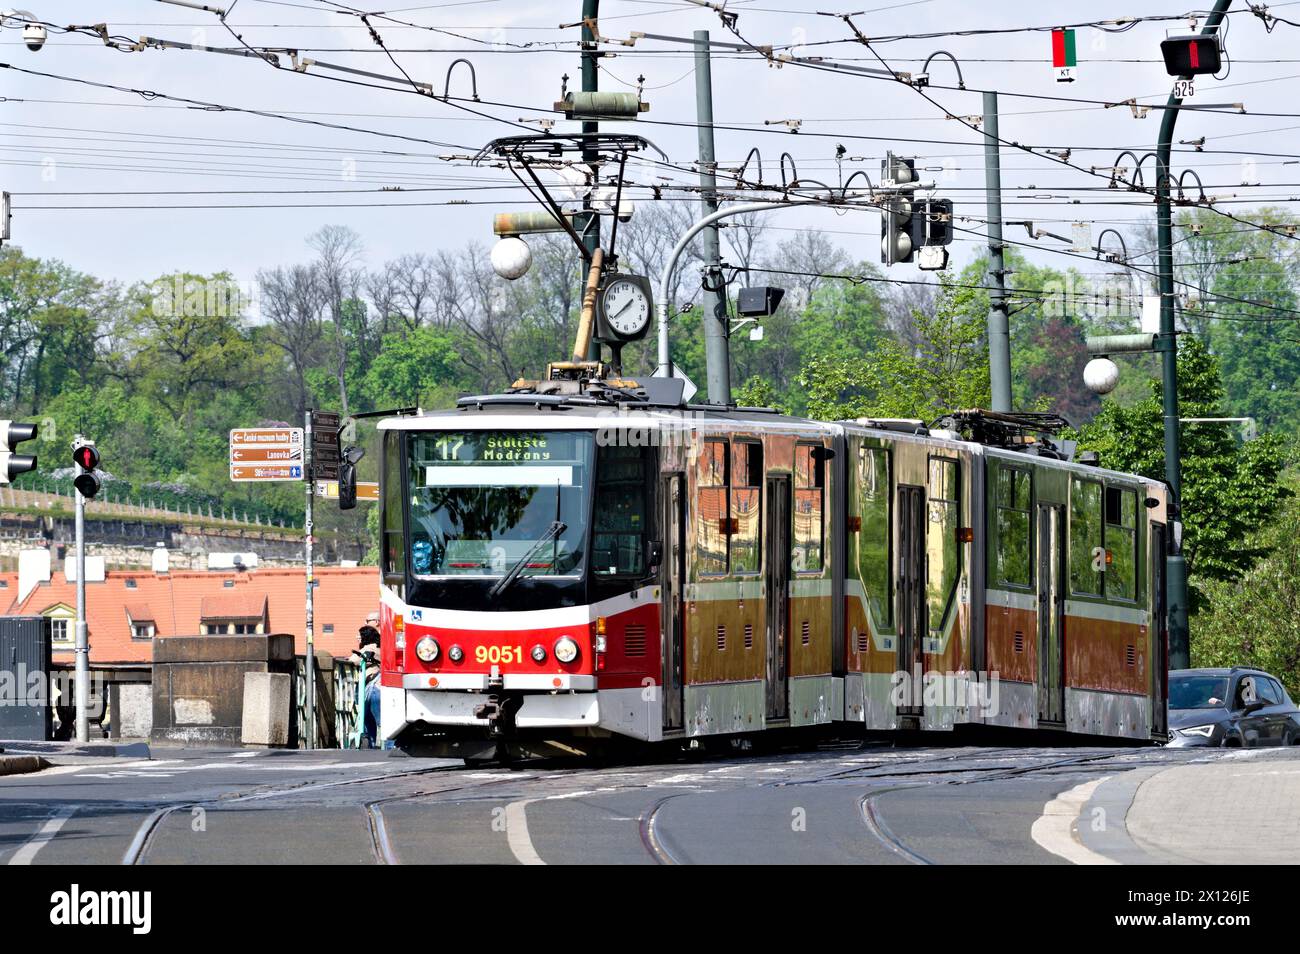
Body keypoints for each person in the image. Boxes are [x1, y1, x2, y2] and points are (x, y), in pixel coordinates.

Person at [352, 625, 382, 748]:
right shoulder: (380, 647)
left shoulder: (369, 648)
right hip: (378, 685)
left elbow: (354, 660)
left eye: (359, 635)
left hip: (373, 687)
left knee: (369, 719)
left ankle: (370, 744)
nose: (357, 638)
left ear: (365, 637)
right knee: (378, 720)